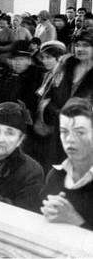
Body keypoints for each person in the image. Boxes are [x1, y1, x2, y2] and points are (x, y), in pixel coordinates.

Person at [40, 30, 93, 172]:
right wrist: (56, 111)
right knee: (54, 172)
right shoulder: (67, 65)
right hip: (58, 129)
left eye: (86, 45)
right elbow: (49, 96)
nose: (80, 49)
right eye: (78, 45)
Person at [41, 97, 93, 229]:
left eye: (79, 132)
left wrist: (74, 219)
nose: (70, 139)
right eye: (64, 131)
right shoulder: (55, 175)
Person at [0, 41, 43, 115]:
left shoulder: (36, 76)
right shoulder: (6, 74)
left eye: (21, 59)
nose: (17, 63)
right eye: (15, 59)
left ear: (29, 61)